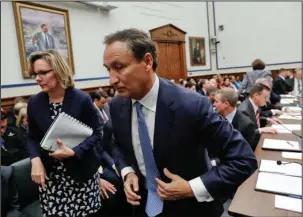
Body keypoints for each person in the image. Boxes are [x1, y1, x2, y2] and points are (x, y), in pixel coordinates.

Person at [103, 28, 257, 217]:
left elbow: (243, 159)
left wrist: (191, 188)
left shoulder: (191, 105)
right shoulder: (118, 105)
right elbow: (117, 144)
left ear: (147, 62)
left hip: (191, 209)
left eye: (119, 67)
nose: (111, 79)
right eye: (108, 69)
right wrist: (128, 172)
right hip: (142, 207)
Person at [27, 50, 103, 217]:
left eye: (43, 72)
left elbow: (97, 133)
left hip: (81, 175)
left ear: (59, 70)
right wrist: (35, 160)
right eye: (35, 73)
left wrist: (75, 151)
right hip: (52, 179)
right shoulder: (34, 102)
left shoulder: (81, 98)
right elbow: (31, 137)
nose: (37, 78)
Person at [238, 83, 278, 150]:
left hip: (257, 140)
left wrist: (267, 119)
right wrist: (261, 130)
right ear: (256, 95)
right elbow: (246, 134)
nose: (266, 100)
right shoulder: (244, 110)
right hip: (250, 147)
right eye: (265, 97)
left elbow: (254, 119)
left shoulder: (253, 104)